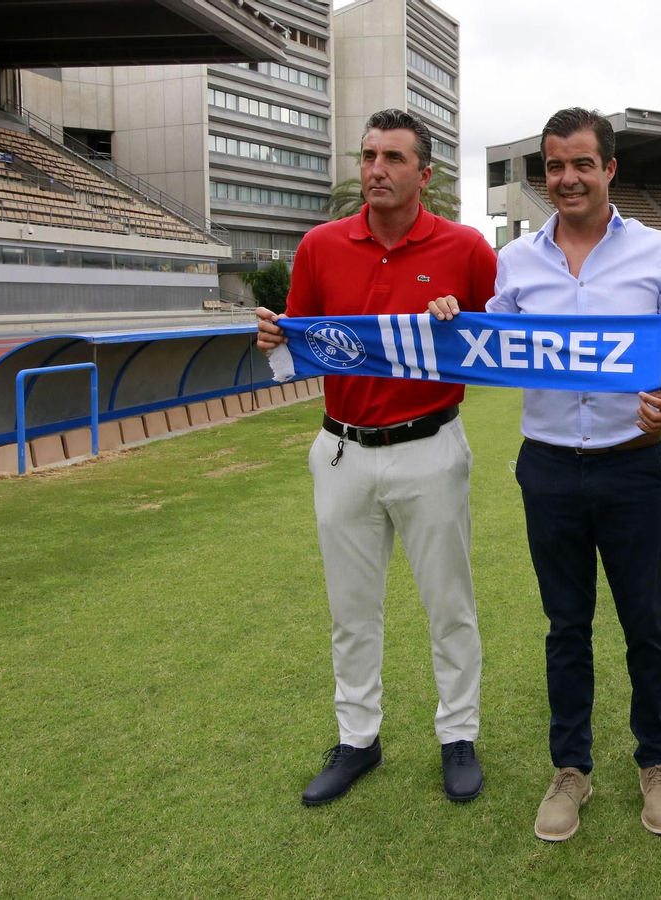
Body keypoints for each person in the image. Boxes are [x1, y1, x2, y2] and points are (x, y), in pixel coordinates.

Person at [428, 107, 661, 842]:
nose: (567, 178)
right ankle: (570, 770)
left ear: (610, 169)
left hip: (634, 468)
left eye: (581, 163)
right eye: (553, 166)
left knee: (646, 622)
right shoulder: (517, 262)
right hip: (546, 467)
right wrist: (454, 318)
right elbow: (490, 346)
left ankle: (656, 761)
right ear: (542, 174)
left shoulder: (660, 254)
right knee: (565, 628)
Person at [256, 109, 498, 807]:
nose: (376, 170)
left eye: (393, 157)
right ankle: (357, 739)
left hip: (431, 447)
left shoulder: (466, 248)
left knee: (449, 604)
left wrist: (466, 323)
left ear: (424, 174)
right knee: (350, 610)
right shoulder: (320, 247)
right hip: (341, 451)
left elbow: (500, 338)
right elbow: (293, 340)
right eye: (367, 156)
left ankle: (458, 734)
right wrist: (272, 334)